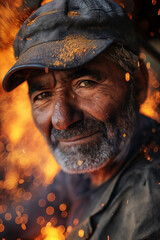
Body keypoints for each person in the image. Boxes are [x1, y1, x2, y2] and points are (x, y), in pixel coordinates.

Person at [2, 0, 160, 239]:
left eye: (85, 83)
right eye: (43, 95)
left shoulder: (148, 206)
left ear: (137, 84)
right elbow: (25, 216)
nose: (62, 120)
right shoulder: (96, 165)